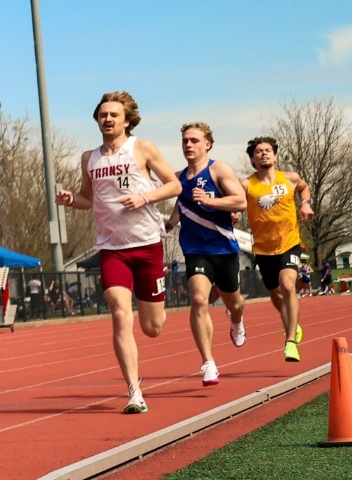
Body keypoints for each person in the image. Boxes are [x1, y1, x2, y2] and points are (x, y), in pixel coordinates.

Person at [55, 92, 182, 414]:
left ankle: (156, 309)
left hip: (147, 245)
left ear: (127, 120)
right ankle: (134, 392)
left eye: (114, 115)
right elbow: (87, 199)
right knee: (120, 313)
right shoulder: (89, 158)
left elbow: (174, 185)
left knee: (152, 327)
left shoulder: (142, 148)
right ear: (97, 120)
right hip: (112, 248)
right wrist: (71, 200)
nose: (108, 119)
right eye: (103, 115)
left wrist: (145, 197)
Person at [169, 121, 249, 385]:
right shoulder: (178, 178)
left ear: (207, 144)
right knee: (198, 300)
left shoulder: (218, 169)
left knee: (235, 303)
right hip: (195, 250)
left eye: (194, 140)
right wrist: (168, 224)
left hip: (223, 249)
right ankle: (208, 362)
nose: (188, 145)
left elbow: (240, 201)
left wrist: (211, 201)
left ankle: (236, 320)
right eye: (185, 141)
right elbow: (182, 206)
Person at [245, 135, 315, 362]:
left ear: (275, 156)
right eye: (258, 151)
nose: (264, 153)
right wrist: (233, 213)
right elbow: (235, 201)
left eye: (268, 150)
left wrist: (305, 204)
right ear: (253, 159)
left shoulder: (290, 178)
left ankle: (290, 341)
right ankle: (293, 323)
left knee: (288, 285)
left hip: (289, 244)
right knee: (276, 297)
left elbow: (304, 188)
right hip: (263, 249)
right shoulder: (246, 185)